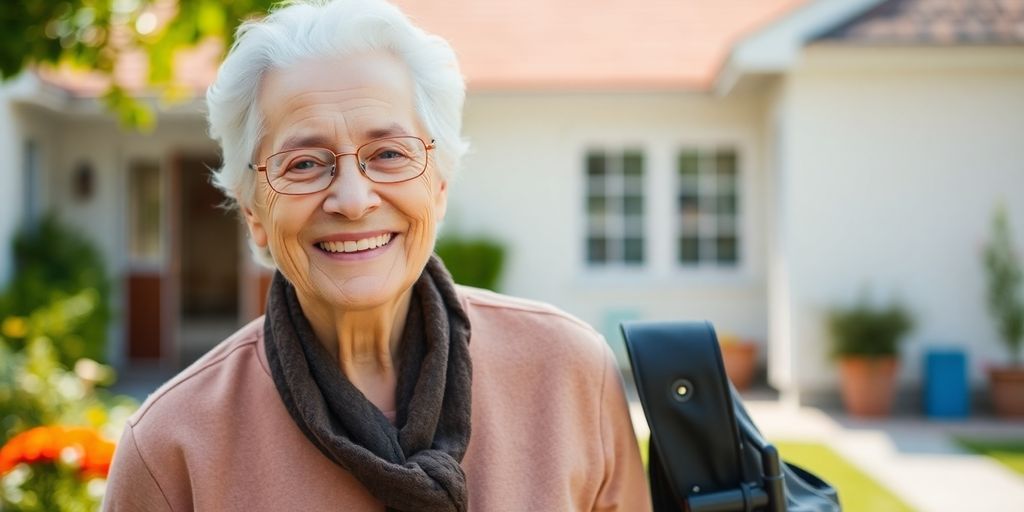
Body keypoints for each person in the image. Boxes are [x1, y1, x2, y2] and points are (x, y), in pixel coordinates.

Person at [102, 0, 650, 510]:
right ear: (254, 213)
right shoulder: (171, 445)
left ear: (438, 186)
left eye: (389, 153)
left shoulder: (570, 371)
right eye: (304, 164)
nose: (353, 200)